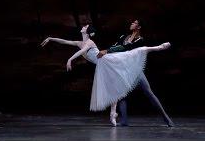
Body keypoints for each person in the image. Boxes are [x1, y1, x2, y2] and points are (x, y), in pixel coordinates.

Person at [40, 24, 171, 126]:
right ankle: (113, 113)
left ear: (87, 31)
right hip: (103, 66)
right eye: (84, 26)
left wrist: (70, 59)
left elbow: (83, 52)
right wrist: (51, 38)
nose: (83, 27)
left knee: (134, 52)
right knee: (114, 88)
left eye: (85, 27)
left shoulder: (89, 42)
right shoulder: (79, 43)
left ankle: (159, 47)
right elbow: (64, 41)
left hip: (107, 60)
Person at [97, 20, 175, 127]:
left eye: (134, 23)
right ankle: (124, 121)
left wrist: (107, 50)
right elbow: (116, 46)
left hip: (135, 69)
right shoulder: (123, 36)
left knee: (149, 93)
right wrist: (108, 51)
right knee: (122, 96)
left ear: (139, 27)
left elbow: (127, 48)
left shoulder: (140, 40)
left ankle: (167, 119)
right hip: (124, 70)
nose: (131, 23)